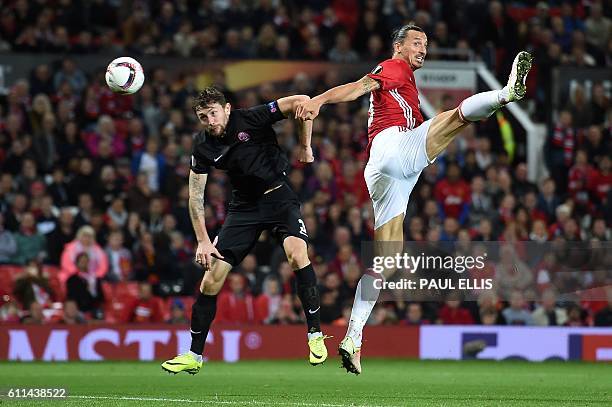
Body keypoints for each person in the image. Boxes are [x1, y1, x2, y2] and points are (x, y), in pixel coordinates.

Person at [296, 24, 532, 374]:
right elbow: (361, 86)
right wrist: (320, 100)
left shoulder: (404, 78)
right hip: (395, 147)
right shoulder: (395, 66)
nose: (423, 48)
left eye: (426, 44)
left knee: (387, 261)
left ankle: (353, 337)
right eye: (416, 43)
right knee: (454, 118)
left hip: (386, 173)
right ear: (399, 46)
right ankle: (506, 94)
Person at [162, 87, 327, 375]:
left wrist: (305, 145)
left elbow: (303, 102)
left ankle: (314, 335)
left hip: (278, 197)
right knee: (211, 279)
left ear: (226, 109)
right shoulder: (202, 146)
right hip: (244, 209)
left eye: (213, 113)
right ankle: (194, 355)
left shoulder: (251, 118)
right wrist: (202, 240)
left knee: (296, 254)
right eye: (203, 117)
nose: (210, 121)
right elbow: (194, 195)